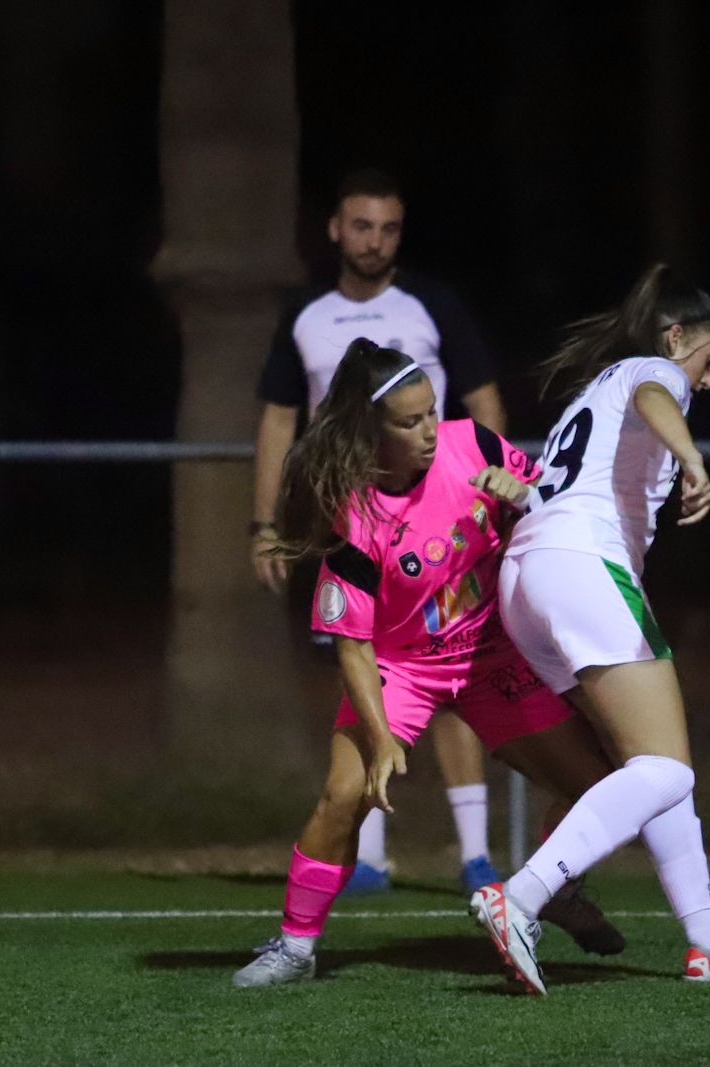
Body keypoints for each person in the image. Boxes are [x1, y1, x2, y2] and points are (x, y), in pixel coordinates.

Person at [234, 339, 627, 988]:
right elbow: (353, 644)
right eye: (409, 422)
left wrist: (524, 490)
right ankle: (295, 947)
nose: (427, 432)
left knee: (601, 786)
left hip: (490, 653)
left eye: (430, 413)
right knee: (343, 793)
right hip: (402, 666)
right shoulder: (356, 514)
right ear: (369, 431)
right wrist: (383, 738)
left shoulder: (471, 444)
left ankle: (552, 888)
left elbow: (559, 500)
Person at [472, 264, 710, 994]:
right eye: (708, 362)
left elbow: (548, 484)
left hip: (529, 578)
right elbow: (658, 391)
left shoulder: (592, 393)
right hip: (581, 566)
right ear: (678, 337)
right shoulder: (649, 369)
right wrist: (693, 455)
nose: (706, 381)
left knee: (652, 772)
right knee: (669, 767)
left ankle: (706, 943)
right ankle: (518, 894)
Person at [250, 168, 507, 896]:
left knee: (448, 678)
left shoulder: (432, 305)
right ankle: (368, 854)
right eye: (361, 225)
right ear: (335, 228)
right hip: (353, 529)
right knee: (364, 675)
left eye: (389, 227)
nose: (375, 240)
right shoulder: (305, 314)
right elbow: (277, 418)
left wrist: (479, 493)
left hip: (437, 532)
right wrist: (265, 521)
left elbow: (484, 402)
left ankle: (477, 854)